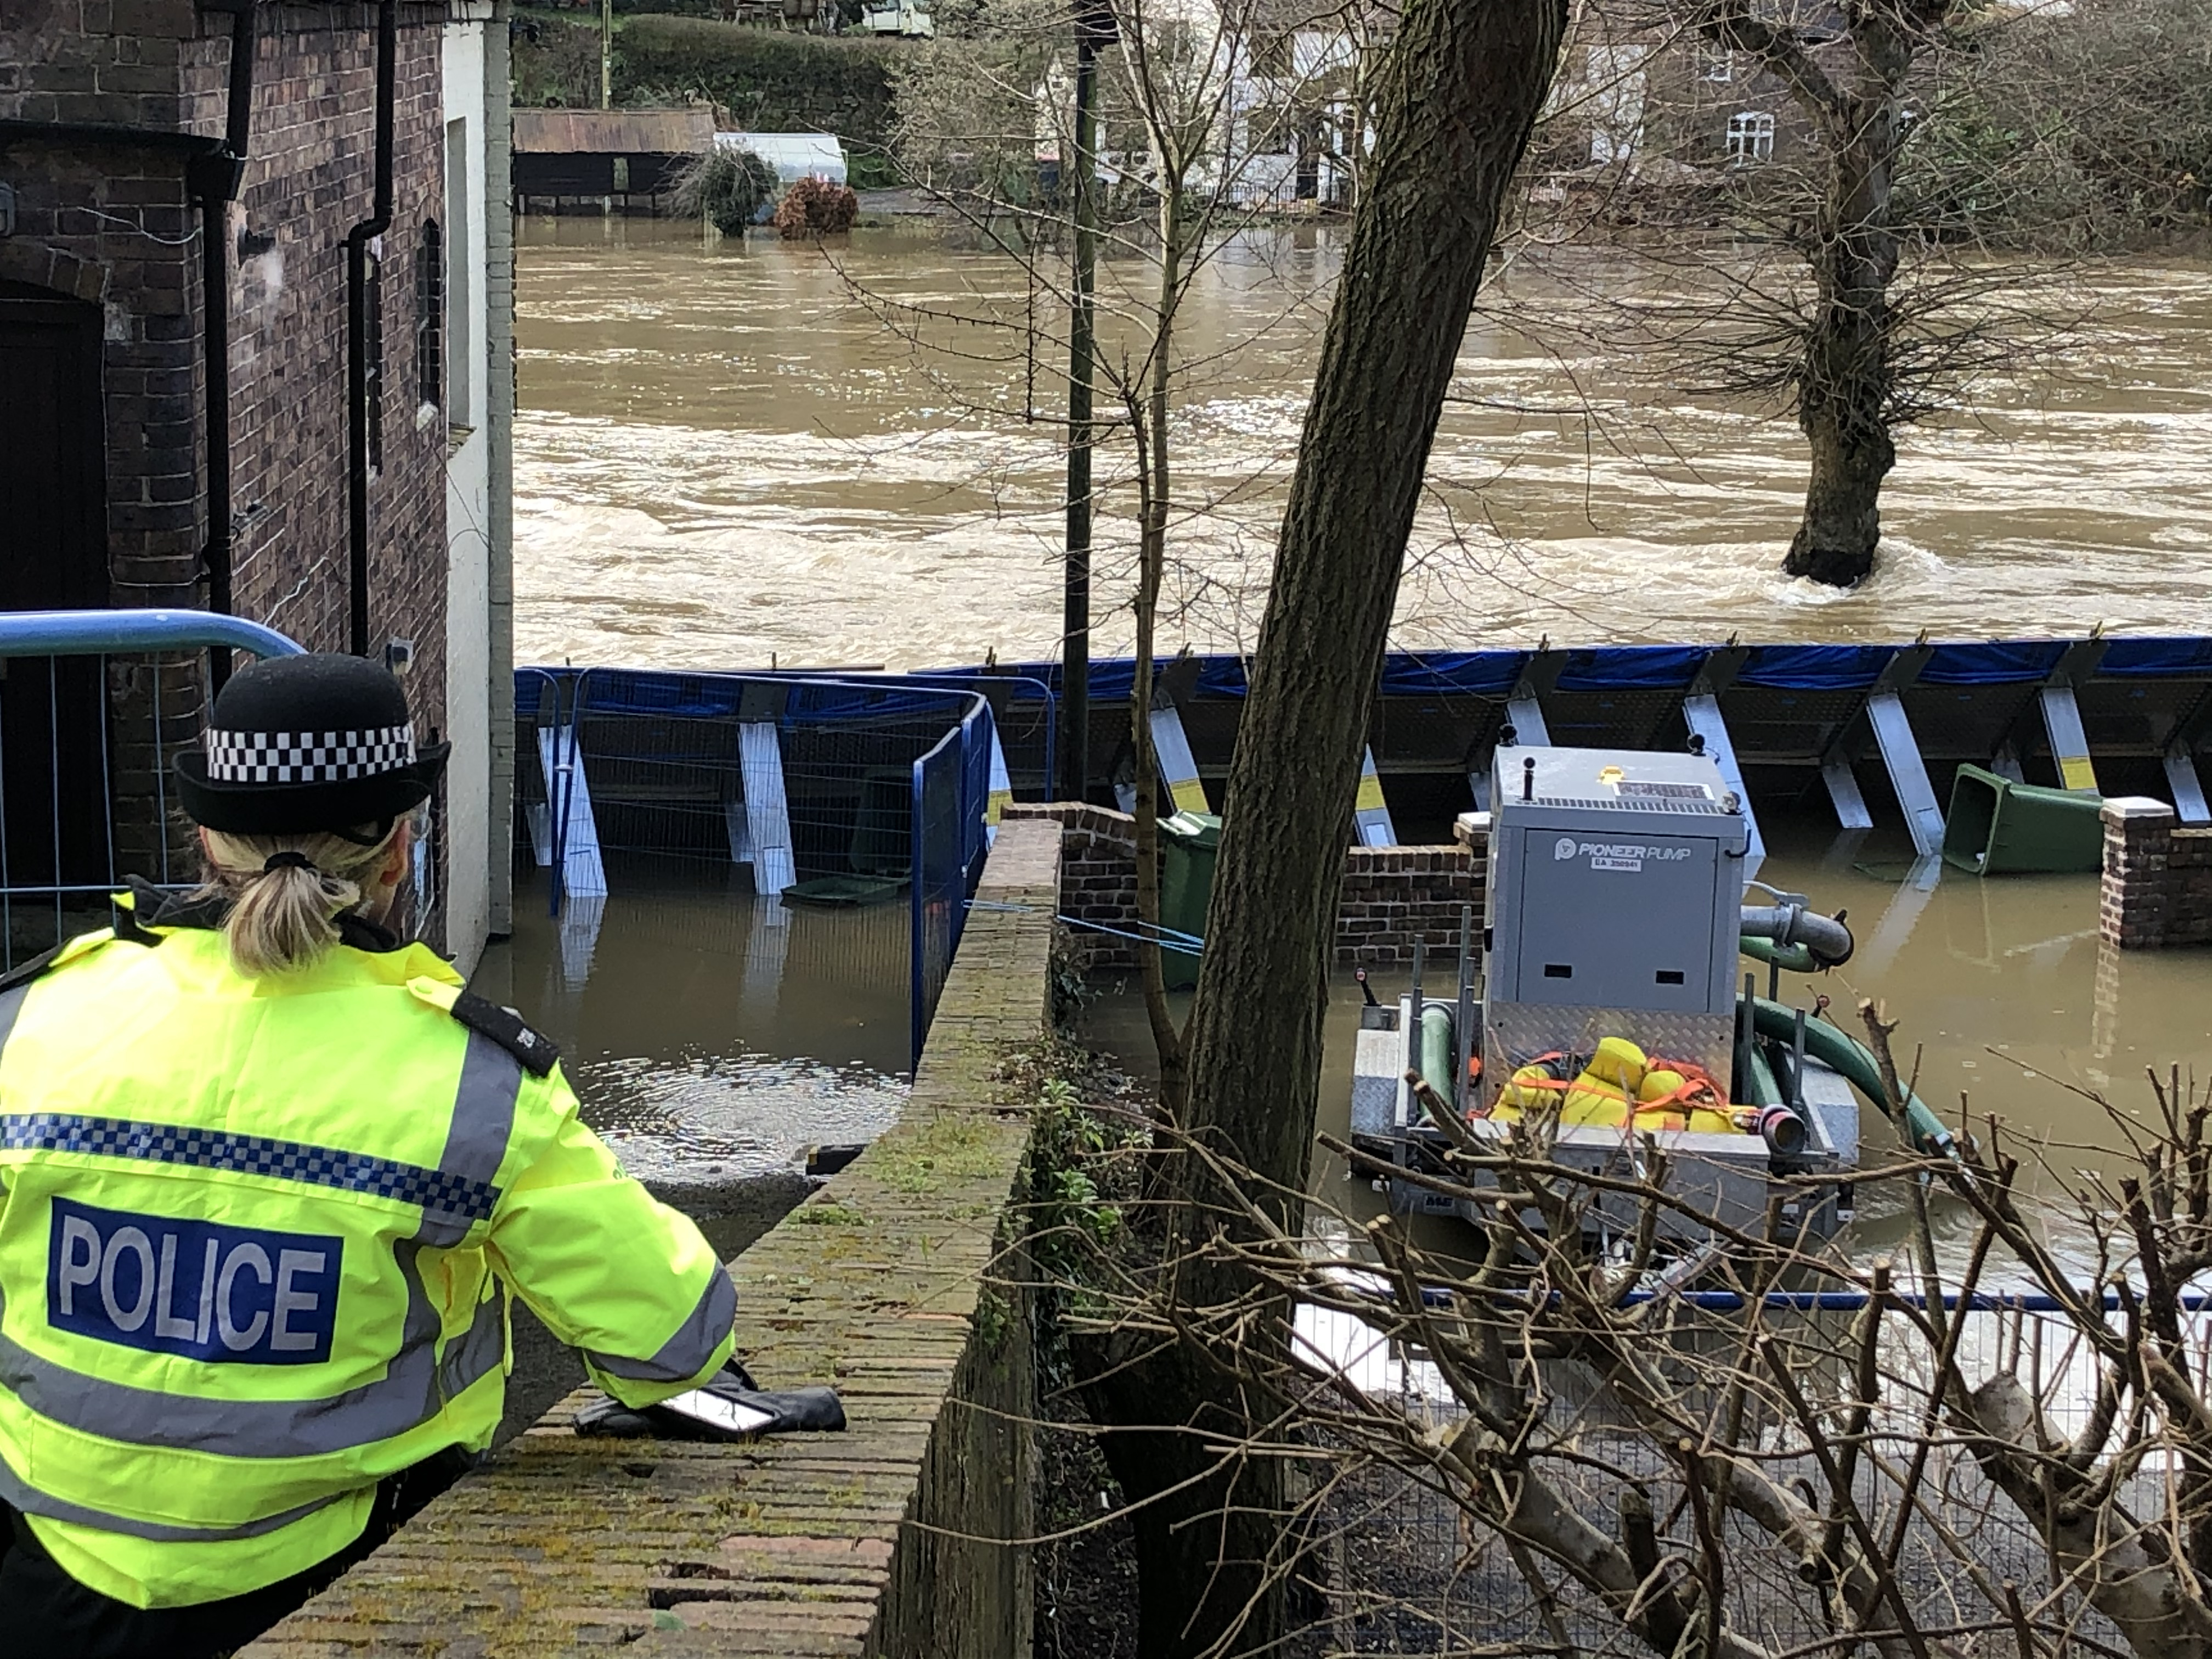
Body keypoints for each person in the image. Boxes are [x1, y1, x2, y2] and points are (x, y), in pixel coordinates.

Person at [0, 653, 747, 1657]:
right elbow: (668, 1338)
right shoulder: (473, 1083)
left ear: (207, 840)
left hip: (47, 1580)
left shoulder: (36, 1018)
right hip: (337, 1578)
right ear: (398, 852)